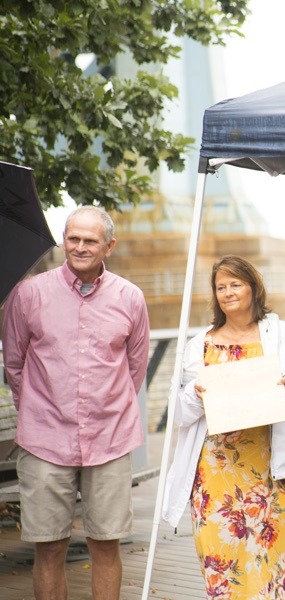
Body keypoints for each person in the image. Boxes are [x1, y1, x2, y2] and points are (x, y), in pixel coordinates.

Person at [1, 205, 150, 600]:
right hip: (45, 440)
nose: (80, 247)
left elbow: (135, 368)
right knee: (49, 547)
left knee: (106, 544)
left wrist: (105, 408)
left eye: (90, 240)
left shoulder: (130, 298)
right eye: (73, 239)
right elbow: (14, 364)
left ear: (109, 246)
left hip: (110, 439)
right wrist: (40, 408)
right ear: (64, 239)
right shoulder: (29, 293)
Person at [161, 255, 285, 599]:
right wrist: (194, 393)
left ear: (253, 288)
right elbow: (178, 412)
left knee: (280, 562)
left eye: (235, 284)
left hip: (274, 469)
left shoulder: (280, 335)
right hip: (217, 472)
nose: (228, 293)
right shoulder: (199, 344)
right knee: (224, 561)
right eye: (221, 287)